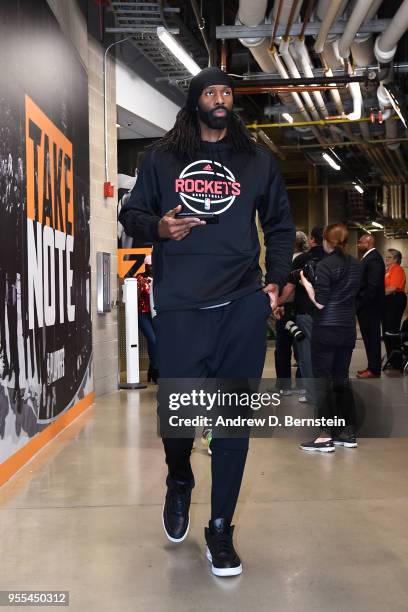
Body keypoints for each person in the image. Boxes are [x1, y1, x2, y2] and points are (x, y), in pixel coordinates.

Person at [119, 67, 295, 577]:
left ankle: (220, 528)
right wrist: (159, 227)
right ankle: (179, 478)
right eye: (211, 91)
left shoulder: (257, 159)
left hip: (242, 301)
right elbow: (133, 214)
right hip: (180, 305)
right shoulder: (162, 158)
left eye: (227, 92)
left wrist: (276, 279)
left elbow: (280, 225)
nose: (220, 98)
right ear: (195, 100)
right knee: (178, 419)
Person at [298, 223, 361, 452]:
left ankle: (325, 436)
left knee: (322, 381)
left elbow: (320, 301)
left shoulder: (325, 265)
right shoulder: (356, 264)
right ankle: (348, 433)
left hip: (326, 329)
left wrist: (306, 283)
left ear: (326, 241)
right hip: (346, 329)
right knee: (341, 378)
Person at [278, 227, 326, 402]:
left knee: (306, 355)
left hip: (305, 313)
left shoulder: (302, 260)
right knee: (327, 354)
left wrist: (276, 303)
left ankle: (312, 395)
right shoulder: (337, 260)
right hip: (330, 315)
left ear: (312, 239)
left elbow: (289, 290)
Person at [274, 231, 309, 394]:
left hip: (288, 309)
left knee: (282, 348)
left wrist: (278, 303)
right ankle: (302, 385)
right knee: (301, 349)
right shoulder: (308, 259)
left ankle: (284, 386)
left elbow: (290, 287)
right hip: (303, 310)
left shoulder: (291, 261)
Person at [356, 234, 385, 379]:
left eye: (360, 242)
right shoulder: (368, 257)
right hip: (367, 306)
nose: (358, 244)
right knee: (368, 338)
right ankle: (371, 367)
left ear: (368, 242)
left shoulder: (374, 259)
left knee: (372, 338)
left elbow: (372, 286)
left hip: (370, 307)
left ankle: (374, 369)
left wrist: (361, 303)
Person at [383, 248, 407, 368]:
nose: (386, 259)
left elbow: (392, 288)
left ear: (396, 259)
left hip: (395, 300)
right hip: (388, 301)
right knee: (387, 330)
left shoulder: (397, 269)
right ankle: (392, 359)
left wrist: (377, 294)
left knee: (391, 330)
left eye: (389, 257)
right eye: (386, 257)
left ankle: (396, 362)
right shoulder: (388, 270)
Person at [137, 255, 158, 383]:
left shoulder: (160, 277)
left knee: (157, 342)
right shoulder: (140, 278)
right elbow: (134, 296)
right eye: (150, 265)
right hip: (143, 314)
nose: (152, 267)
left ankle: (152, 368)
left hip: (156, 314)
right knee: (153, 339)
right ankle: (155, 369)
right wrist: (139, 286)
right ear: (146, 265)